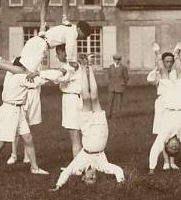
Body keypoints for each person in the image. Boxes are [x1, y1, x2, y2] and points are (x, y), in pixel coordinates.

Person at [50, 57, 125, 191]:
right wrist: (121, 182)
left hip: (88, 132)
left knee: (85, 98)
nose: (92, 176)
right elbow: (117, 170)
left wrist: (58, 186)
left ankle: (84, 68)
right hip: (101, 131)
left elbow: (66, 172)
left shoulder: (80, 162)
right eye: (94, 178)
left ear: (83, 177)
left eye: (89, 178)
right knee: (94, 98)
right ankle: (90, 67)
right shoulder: (102, 166)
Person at [0, 59, 49, 179]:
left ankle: (34, 168)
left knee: (28, 137)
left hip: (17, 110)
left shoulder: (11, 74)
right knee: (1, 143)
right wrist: (52, 75)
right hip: (9, 111)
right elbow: (37, 82)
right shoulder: (20, 77)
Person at [147, 45, 181, 175]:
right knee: (180, 73)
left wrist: (151, 169)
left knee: (163, 72)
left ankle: (157, 52)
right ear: (178, 144)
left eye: (171, 147)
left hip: (170, 103)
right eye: (176, 147)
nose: (174, 145)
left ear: (166, 145)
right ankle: (176, 54)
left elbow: (155, 148)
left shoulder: (164, 134)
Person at [0, 21, 90, 80]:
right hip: (40, 45)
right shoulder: (73, 33)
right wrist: (72, 62)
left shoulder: (68, 28)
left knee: (19, 65)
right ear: (79, 29)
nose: (81, 38)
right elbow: (69, 48)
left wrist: (76, 57)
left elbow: (63, 48)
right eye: (83, 36)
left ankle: (1, 61)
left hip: (35, 41)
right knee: (26, 72)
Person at [106, 53, 129, 118]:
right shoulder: (111, 67)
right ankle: (108, 115)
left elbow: (126, 77)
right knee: (110, 101)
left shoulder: (123, 67)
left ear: (120, 60)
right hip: (111, 86)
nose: (117, 61)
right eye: (116, 59)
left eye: (118, 59)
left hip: (120, 86)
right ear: (113, 60)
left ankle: (117, 115)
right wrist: (109, 82)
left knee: (118, 102)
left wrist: (123, 83)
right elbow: (108, 76)